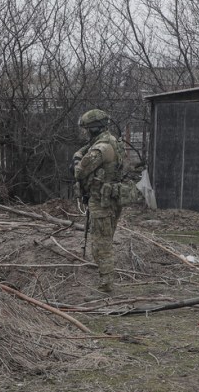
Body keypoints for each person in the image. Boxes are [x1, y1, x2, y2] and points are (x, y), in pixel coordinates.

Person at [72, 109, 124, 294]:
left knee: (101, 245)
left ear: (93, 129)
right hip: (111, 198)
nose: (85, 132)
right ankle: (106, 281)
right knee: (105, 241)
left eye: (87, 129)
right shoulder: (113, 141)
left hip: (102, 202)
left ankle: (106, 285)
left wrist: (78, 158)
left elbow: (80, 170)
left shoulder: (100, 148)